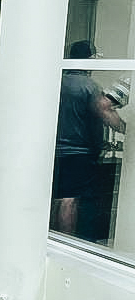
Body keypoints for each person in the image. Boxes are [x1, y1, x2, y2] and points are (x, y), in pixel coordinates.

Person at [51, 41, 125, 238]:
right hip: (78, 152)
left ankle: (52, 238)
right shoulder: (90, 87)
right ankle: (66, 242)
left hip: (54, 150)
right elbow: (99, 117)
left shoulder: (56, 82)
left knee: (57, 197)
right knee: (70, 199)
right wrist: (102, 145)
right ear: (89, 59)